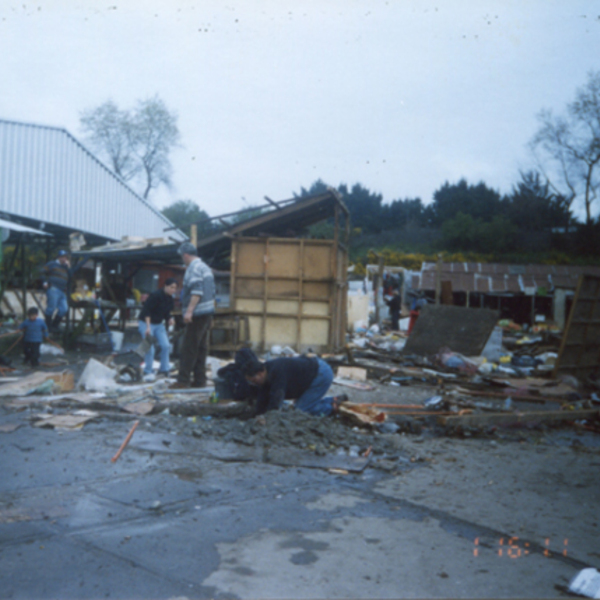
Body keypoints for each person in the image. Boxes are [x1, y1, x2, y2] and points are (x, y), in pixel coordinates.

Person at [241, 352, 348, 417]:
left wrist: (268, 418)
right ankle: (334, 400)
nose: (253, 383)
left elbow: (276, 400)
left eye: (253, 380)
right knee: (301, 405)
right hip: (312, 373)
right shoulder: (266, 371)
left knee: (301, 410)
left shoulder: (277, 372)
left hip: (320, 374)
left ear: (260, 373)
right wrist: (256, 414)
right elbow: (263, 397)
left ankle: (332, 408)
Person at [171, 242, 215, 389]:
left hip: (197, 313)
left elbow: (197, 291)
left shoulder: (193, 268)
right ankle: (200, 380)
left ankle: (183, 380)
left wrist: (189, 311)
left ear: (186, 255)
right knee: (201, 348)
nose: (182, 260)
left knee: (189, 347)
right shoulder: (205, 267)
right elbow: (211, 292)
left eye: (182, 257)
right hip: (207, 312)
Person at [138, 278, 177, 377]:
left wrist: (169, 318)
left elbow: (166, 312)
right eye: (171, 287)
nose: (173, 290)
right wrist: (147, 327)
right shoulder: (155, 295)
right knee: (150, 348)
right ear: (166, 286)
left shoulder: (170, 299)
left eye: (175, 288)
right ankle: (148, 371)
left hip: (159, 324)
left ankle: (164, 369)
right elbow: (147, 310)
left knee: (165, 346)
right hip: (146, 322)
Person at [41, 250, 70, 332]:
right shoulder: (52, 264)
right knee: (51, 307)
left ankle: (54, 325)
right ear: (58, 257)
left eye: (65, 257)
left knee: (64, 309)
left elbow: (71, 276)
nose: (64, 259)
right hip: (53, 288)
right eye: (62, 257)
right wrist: (44, 282)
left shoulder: (66, 267)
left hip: (62, 290)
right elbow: (42, 271)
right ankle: (48, 327)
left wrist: (68, 267)